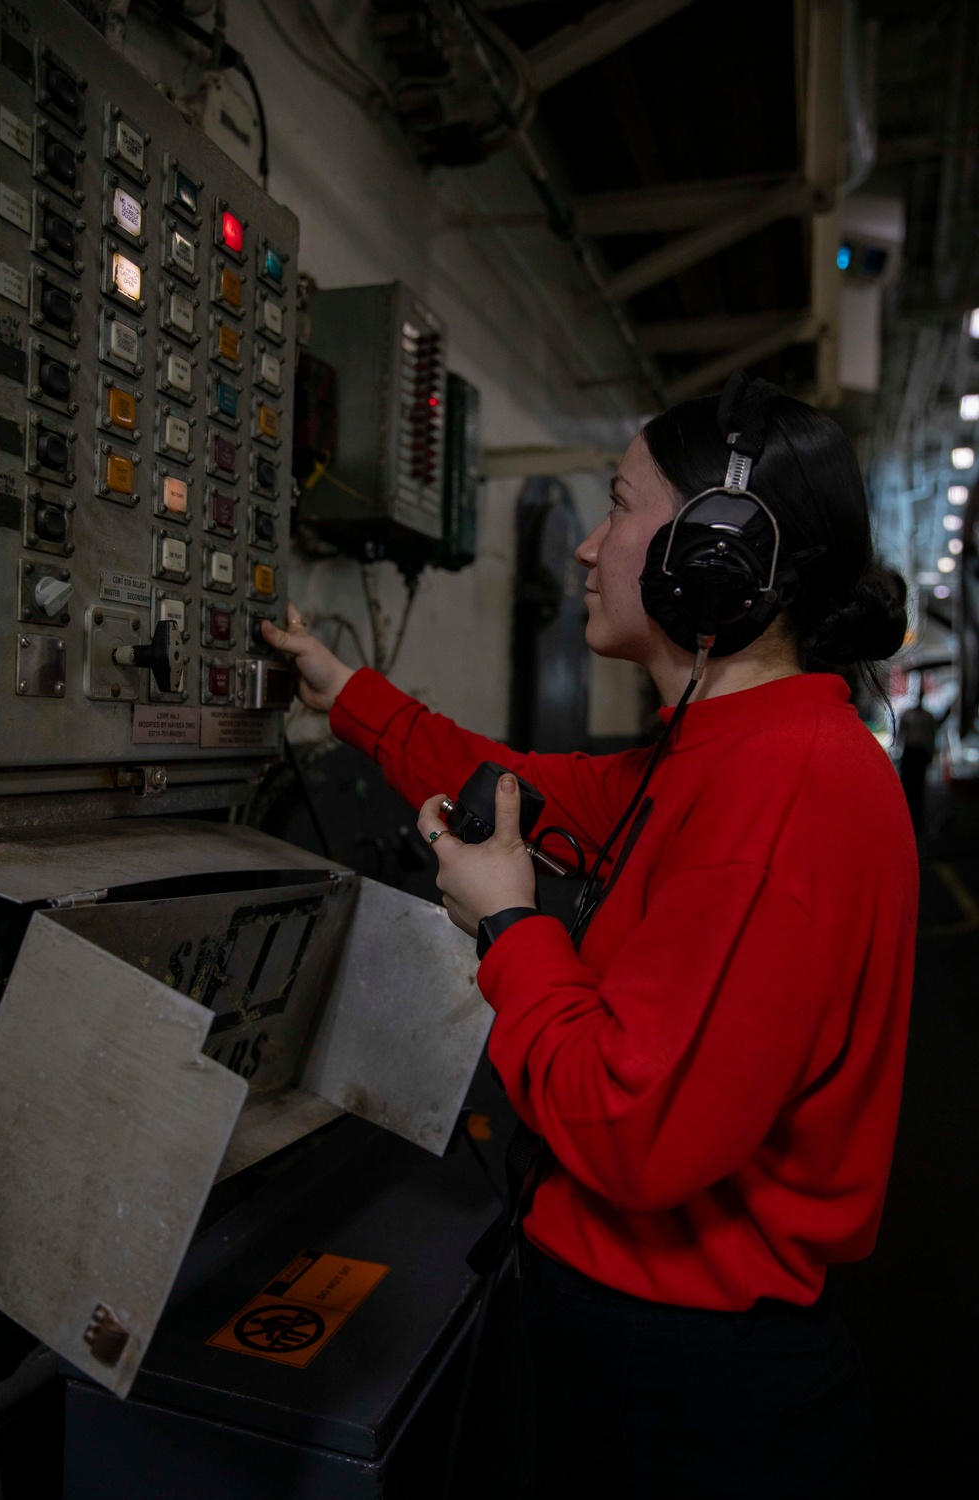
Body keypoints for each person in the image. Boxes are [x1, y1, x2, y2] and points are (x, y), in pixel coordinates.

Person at [262, 375, 917, 1499]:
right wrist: (348, 694)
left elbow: (631, 1128)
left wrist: (507, 923)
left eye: (619, 507)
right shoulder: (731, 747)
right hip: (652, 1349)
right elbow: (518, 786)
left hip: (694, 1394)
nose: (587, 548)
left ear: (710, 554)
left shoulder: (782, 793)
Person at [897, 679, 939, 830]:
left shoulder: (927, 717)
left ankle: (916, 819)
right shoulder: (909, 715)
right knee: (908, 786)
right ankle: (907, 817)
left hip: (918, 753)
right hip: (910, 752)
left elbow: (931, 736)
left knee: (918, 787)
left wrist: (931, 753)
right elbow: (901, 734)